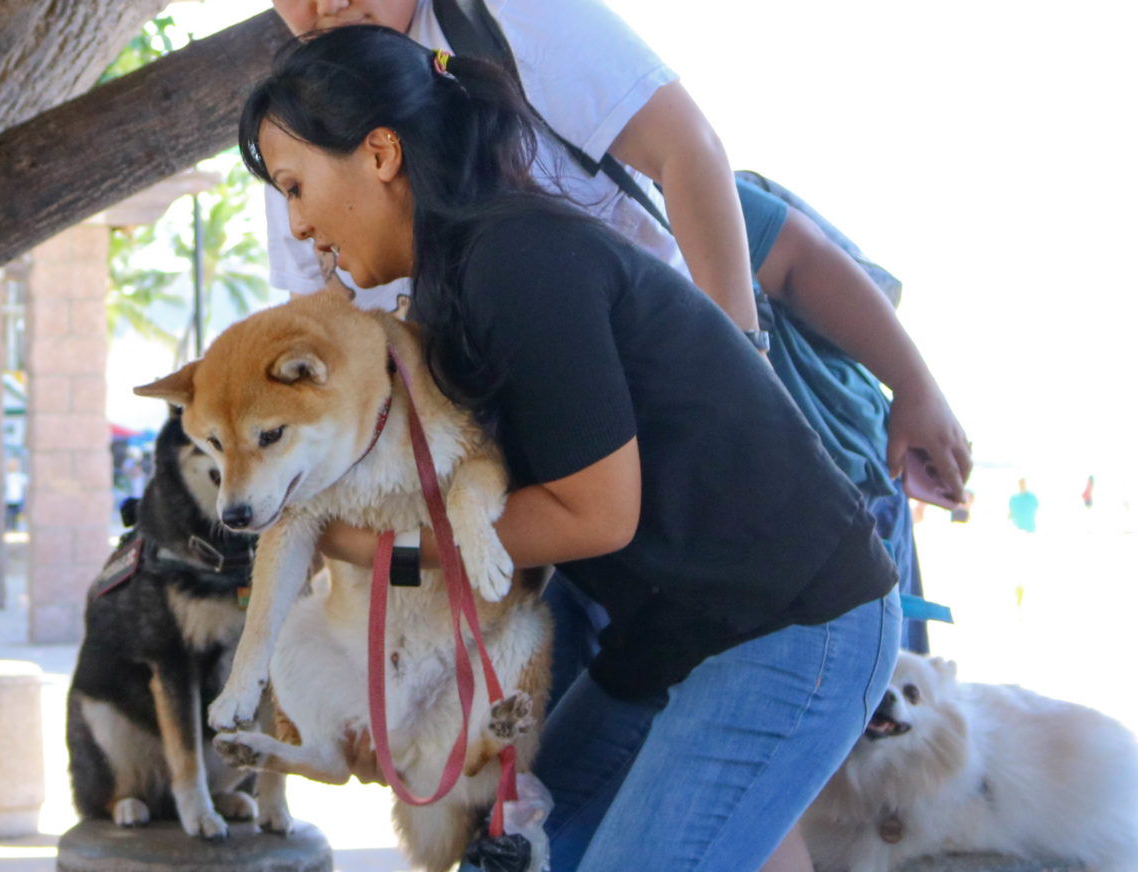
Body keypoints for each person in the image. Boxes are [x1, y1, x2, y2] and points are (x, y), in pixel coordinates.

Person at [239, 25, 901, 871]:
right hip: (671, 632)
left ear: (378, 154)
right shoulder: (447, 292)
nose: (296, 227)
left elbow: (595, 513)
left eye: (296, 187)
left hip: (792, 622)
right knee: (506, 859)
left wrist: (374, 549)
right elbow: (483, 539)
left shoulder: (517, 263)